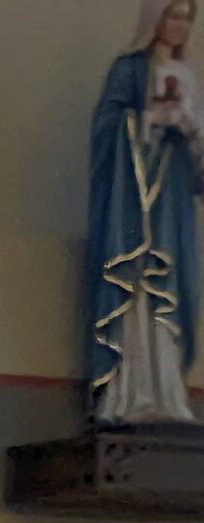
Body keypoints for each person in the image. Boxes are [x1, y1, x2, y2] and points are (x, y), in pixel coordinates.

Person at [89, 0, 204, 424]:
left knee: (174, 286)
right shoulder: (129, 70)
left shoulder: (187, 77)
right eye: (173, 15)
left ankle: (168, 390)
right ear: (155, 19)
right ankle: (130, 390)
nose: (179, 25)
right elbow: (105, 128)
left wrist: (193, 133)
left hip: (171, 199)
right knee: (137, 282)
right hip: (133, 201)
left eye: (187, 18)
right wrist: (151, 117)